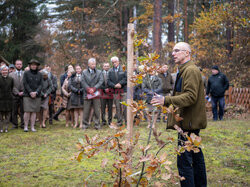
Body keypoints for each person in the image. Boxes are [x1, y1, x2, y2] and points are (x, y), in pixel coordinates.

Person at [151, 42, 207, 187]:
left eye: (177, 51)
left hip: (188, 123)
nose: (173, 53)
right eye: (173, 51)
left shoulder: (191, 70)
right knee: (195, 157)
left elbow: (190, 96)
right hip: (186, 121)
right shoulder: (184, 70)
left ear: (187, 53)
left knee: (185, 161)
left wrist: (166, 100)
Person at [82, 58, 104, 130]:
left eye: (94, 64)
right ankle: (85, 125)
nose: (94, 65)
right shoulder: (84, 72)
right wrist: (88, 89)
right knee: (86, 110)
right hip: (87, 93)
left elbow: (101, 81)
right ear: (88, 65)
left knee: (97, 110)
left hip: (96, 94)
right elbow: (83, 81)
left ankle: (97, 125)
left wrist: (94, 88)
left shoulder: (99, 72)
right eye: (92, 64)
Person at [23, 59, 43, 132]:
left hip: (37, 95)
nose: (34, 66)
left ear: (37, 66)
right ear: (30, 65)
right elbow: (25, 83)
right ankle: (25, 126)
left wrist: (36, 92)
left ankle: (32, 127)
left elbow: (41, 85)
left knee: (34, 111)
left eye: (35, 65)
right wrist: (31, 92)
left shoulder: (40, 74)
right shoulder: (26, 73)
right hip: (27, 95)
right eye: (32, 65)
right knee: (27, 111)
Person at [107, 56, 127, 126]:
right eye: (113, 62)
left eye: (115, 62)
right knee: (118, 107)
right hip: (115, 91)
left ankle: (127, 121)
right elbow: (108, 81)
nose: (114, 63)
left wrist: (120, 83)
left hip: (123, 90)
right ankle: (119, 121)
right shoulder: (110, 71)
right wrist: (114, 85)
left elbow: (126, 78)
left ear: (118, 62)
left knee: (125, 106)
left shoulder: (124, 69)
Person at [9, 60, 24, 129]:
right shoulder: (11, 75)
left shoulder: (25, 74)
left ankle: (23, 124)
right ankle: (15, 125)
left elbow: (26, 84)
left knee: (23, 111)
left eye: (20, 64)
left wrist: (23, 92)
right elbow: (11, 86)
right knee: (14, 111)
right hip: (14, 95)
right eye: (17, 64)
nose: (19, 65)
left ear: (22, 65)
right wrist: (17, 92)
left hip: (23, 95)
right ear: (15, 65)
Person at [0, 65, 13, 133]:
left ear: (8, 71)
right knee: (1, 115)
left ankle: (6, 128)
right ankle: (1, 128)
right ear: (1, 71)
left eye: (6, 70)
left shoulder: (11, 79)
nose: (4, 71)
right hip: (1, 99)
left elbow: (12, 88)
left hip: (8, 99)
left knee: (8, 114)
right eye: (3, 70)